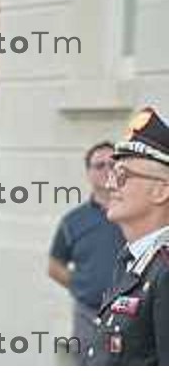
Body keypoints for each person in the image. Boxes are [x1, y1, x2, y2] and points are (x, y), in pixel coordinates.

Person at [85, 107, 169, 366]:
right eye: (112, 173)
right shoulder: (133, 259)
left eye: (123, 175)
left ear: (161, 191)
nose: (110, 185)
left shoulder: (164, 272)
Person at [48, 142, 126, 363]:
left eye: (112, 164)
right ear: (88, 173)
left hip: (130, 314)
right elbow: (54, 266)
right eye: (99, 165)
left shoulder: (135, 213)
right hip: (88, 315)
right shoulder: (73, 221)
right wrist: (81, 285)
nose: (106, 170)